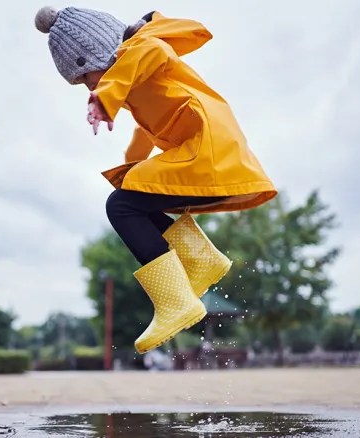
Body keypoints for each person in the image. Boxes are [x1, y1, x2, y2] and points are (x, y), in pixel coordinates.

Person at [34, 6, 277, 354]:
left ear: (99, 54)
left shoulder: (145, 47)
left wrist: (105, 97)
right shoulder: (137, 80)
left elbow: (151, 53)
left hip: (207, 153)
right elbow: (146, 132)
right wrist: (131, 169)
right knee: (130, 199)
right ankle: (198, 260)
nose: (89, 86)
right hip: (208, 154)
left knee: (120, 207)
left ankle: (177, 301)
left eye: (87, 78)